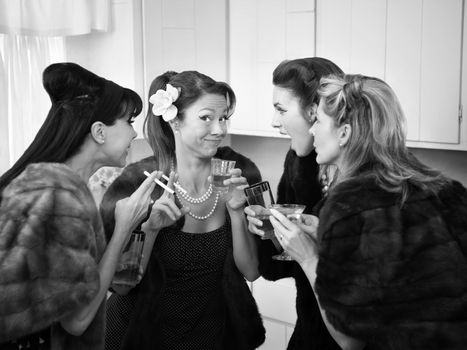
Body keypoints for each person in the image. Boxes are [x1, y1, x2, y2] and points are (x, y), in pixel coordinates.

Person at [269, 74, 467, 350]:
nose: (312, 130)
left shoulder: (349, 204)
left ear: (345, 133)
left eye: (319, 121)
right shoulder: (447, 189)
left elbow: (349, 339)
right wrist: (327, 236)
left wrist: (309, 256)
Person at [0, 63, 172, 350]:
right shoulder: (62, 196)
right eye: (129, 122)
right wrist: (123, 228)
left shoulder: (48, 184)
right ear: (99, 132)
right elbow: (78, 320)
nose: (133, 134)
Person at [100, 70, 265, 350]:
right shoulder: (140, 182)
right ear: (175, 119)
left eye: (223, 118)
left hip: (213, 335)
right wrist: (150, 229)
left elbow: (251, 272)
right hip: (141, 334)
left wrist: (237, 211)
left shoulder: (240, 175)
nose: (219, 130)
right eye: (206, 118)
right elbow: (122, 285)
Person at [244, 57, 343, 349]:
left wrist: (308, 249)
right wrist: (270, 231)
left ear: (315, 112)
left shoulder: (362, 186)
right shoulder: (298, 163)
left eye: (281, 110)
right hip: (310, 332)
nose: (275, 122)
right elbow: (279, 267)